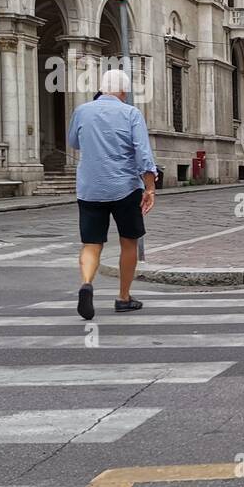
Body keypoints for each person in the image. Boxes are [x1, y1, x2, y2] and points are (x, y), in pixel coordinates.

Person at [67, 70, 157, 320]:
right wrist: (149, 187)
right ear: (123, 92)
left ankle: (86, 283)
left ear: (102, 88)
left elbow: (73, 142)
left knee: (91, 243)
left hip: (89, 188)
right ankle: (123, 297)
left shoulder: (81, 111)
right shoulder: (131, 113)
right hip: (124, 188)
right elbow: (143, 153)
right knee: (128, 241)